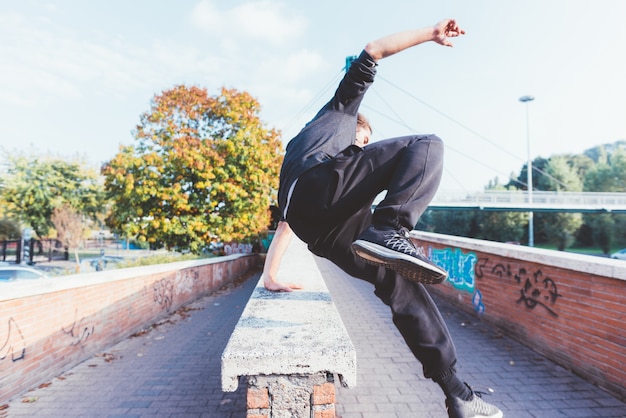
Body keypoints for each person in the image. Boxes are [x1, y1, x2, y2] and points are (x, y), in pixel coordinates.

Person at [261, 19, 503, 418]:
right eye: (364, 141)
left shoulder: (297, 166)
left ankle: (457, 392)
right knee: (427, 146)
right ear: (357, 128)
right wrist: (431, 34)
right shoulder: (338, 113)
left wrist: (271, 274)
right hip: (321, 188)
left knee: (400, 282)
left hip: (323, 233)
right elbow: (373, 48)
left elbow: (287, 224)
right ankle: (390, 228)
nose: (365, 148)